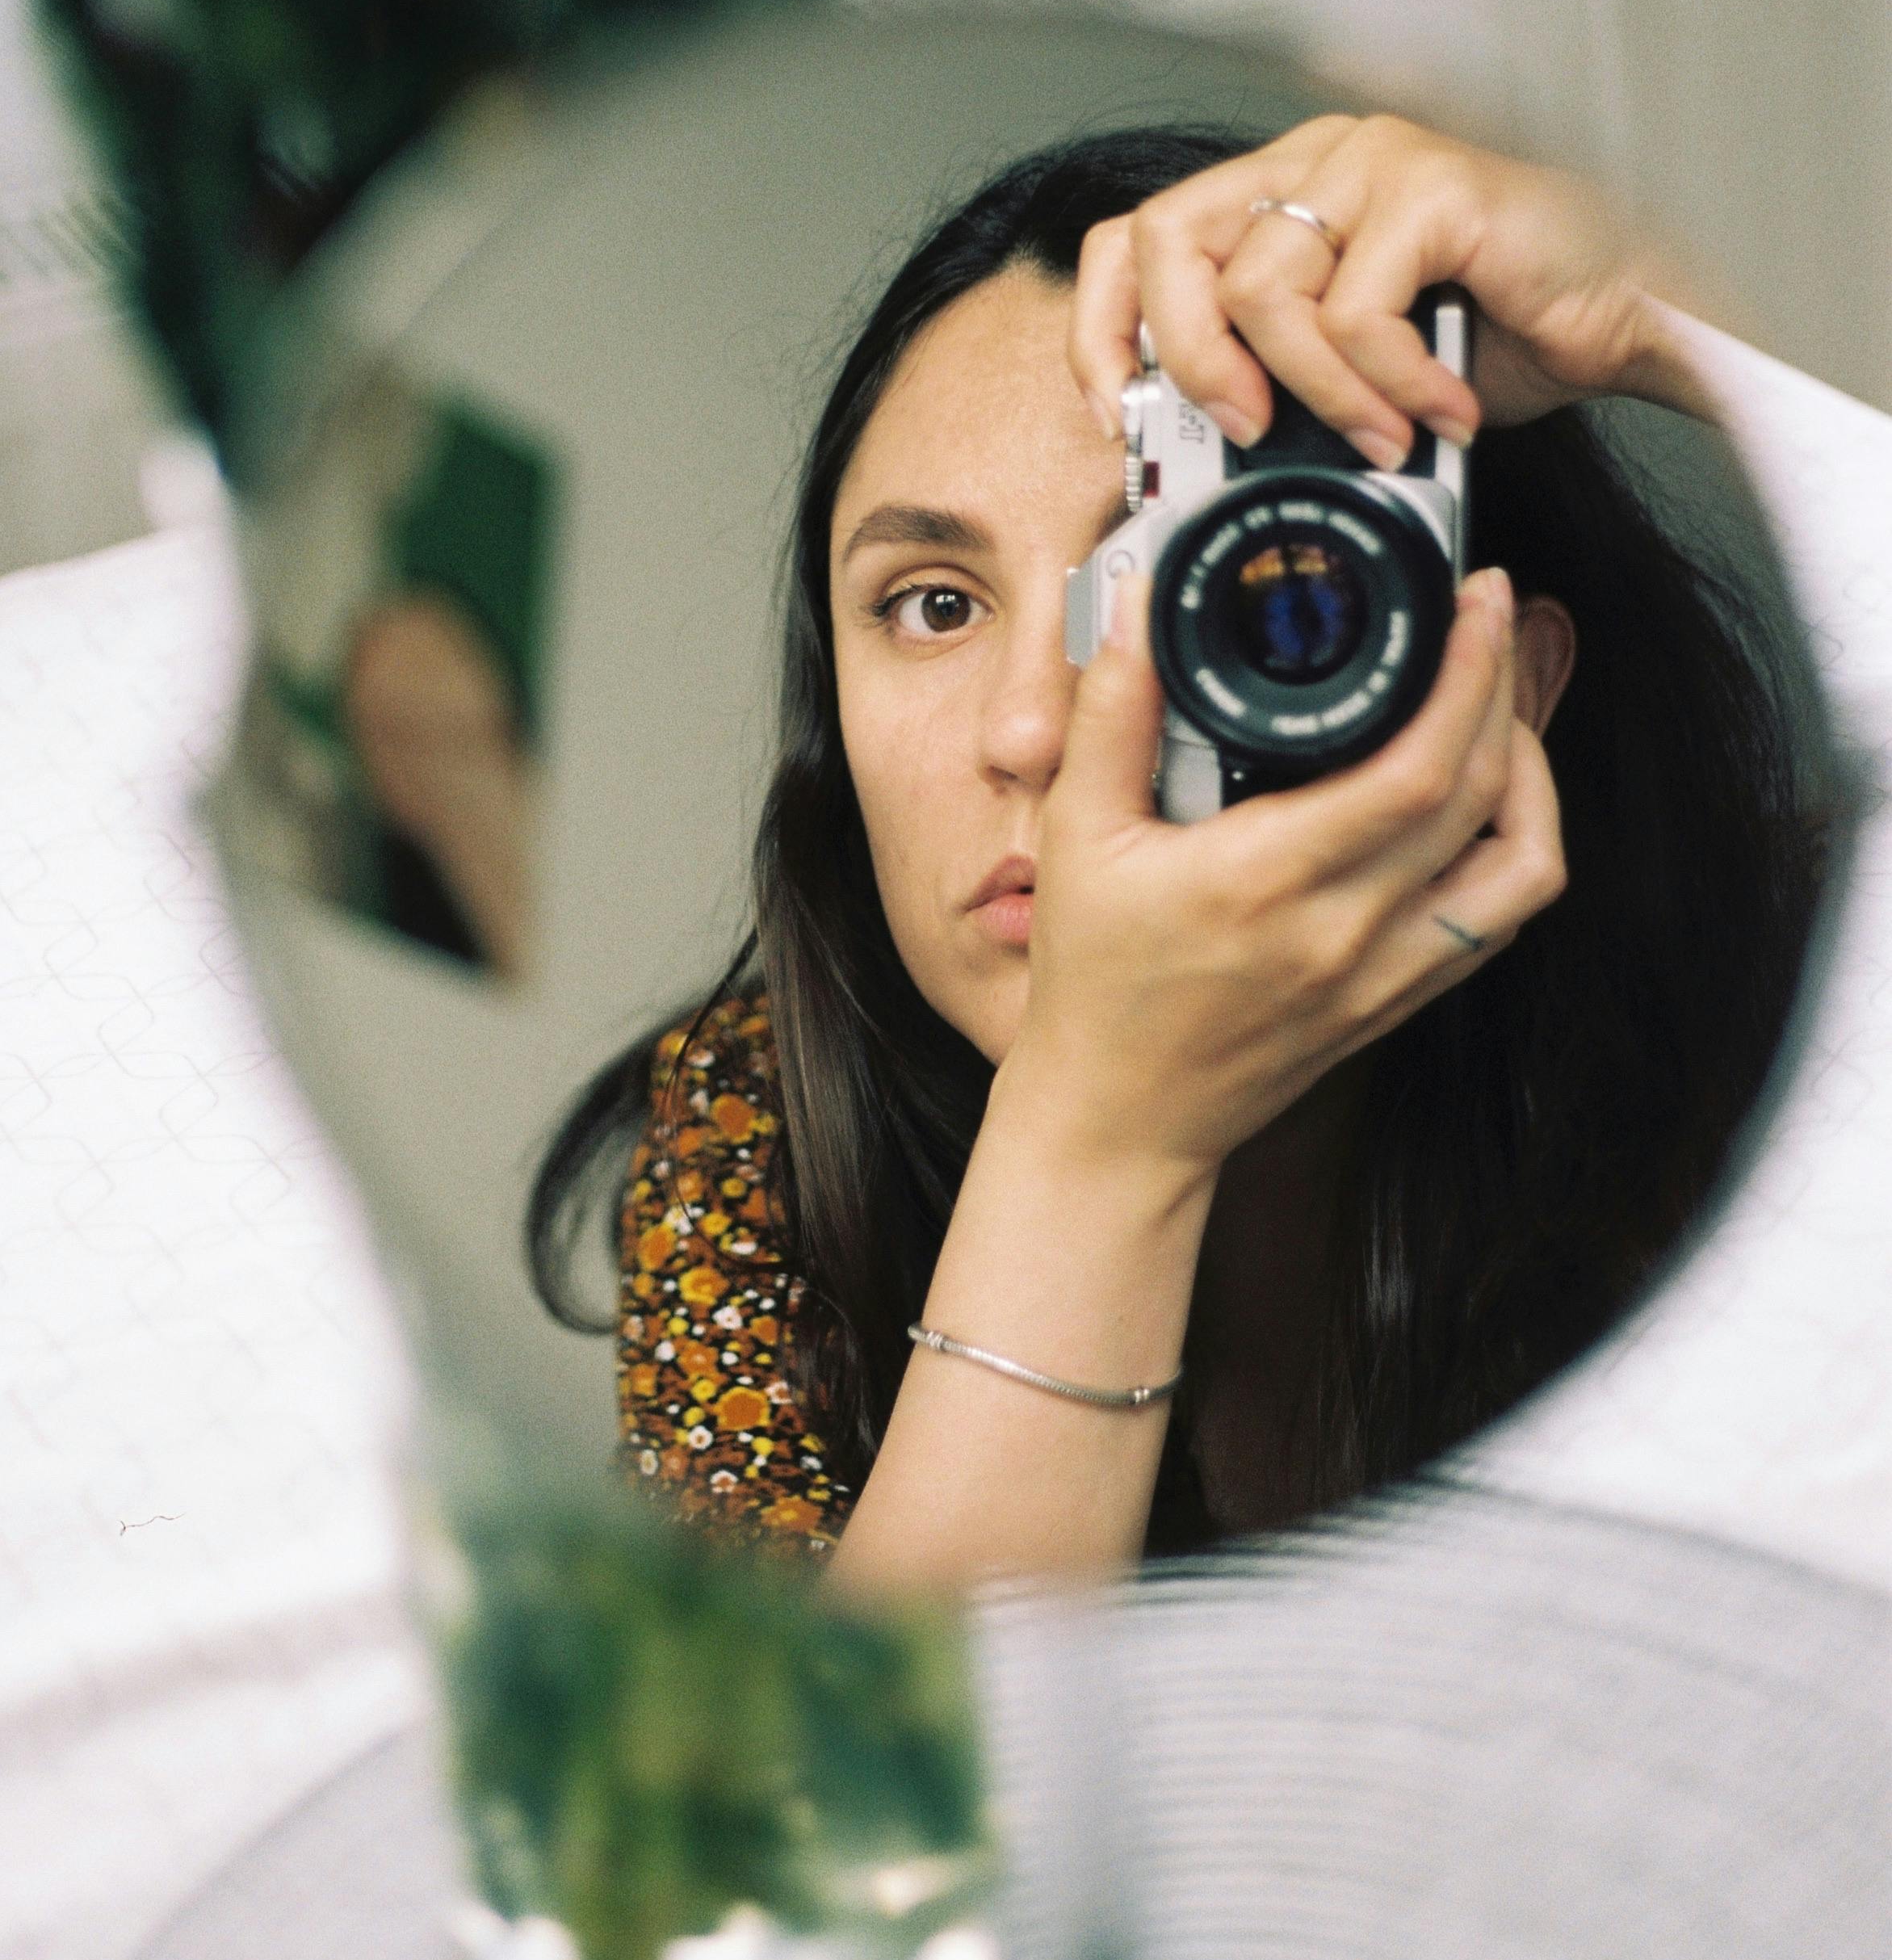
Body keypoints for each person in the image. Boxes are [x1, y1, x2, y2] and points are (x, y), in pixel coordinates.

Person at [526, 114, 1826, 1593]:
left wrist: (1661, 309)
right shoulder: (753, 1133)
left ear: (1500, 685)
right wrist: (1102, 1140)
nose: (1033, 725)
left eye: (1167, 582)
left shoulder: (1781, 1015)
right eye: (935, 604)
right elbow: (866, 1749)